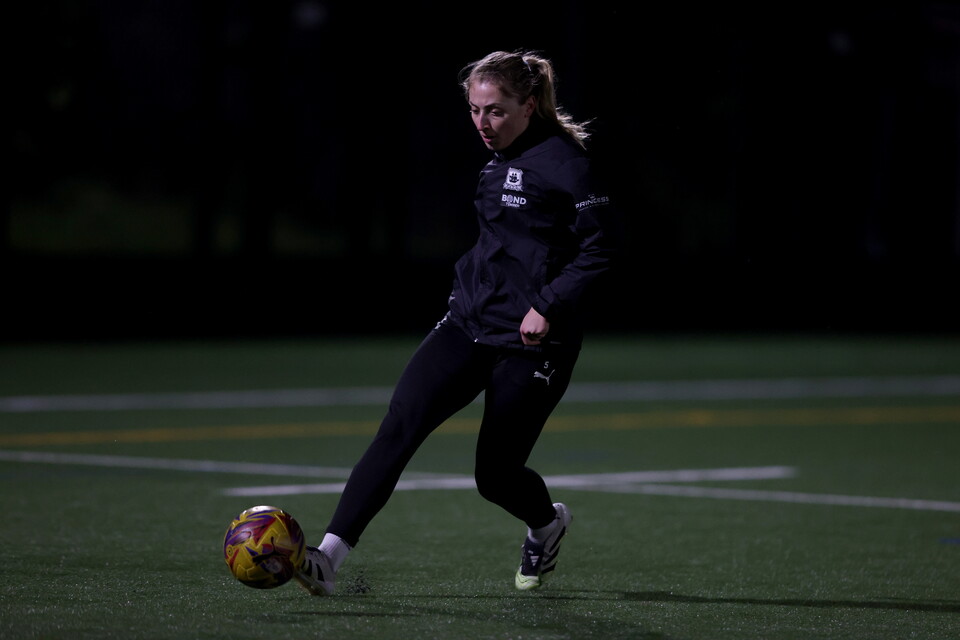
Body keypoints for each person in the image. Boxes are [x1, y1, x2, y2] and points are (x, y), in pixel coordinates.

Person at [295, 49, 619, 595]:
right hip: (467, 324)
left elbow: (603, 248)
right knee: (400, 425)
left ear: (529, 104)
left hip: (534, 342)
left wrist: (549, 305)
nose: (482, 124)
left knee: (494, 475)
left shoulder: (567, 164)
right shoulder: (496, 158)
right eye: (474, 110)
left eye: (494, 110)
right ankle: (327, 560)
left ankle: (547, 524)